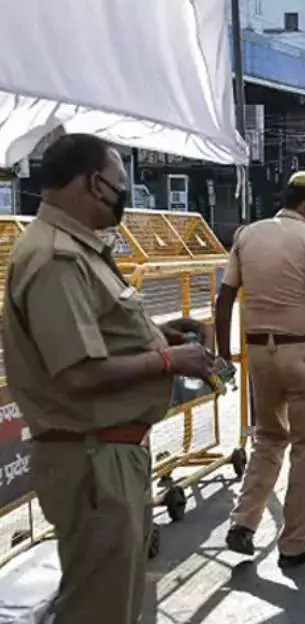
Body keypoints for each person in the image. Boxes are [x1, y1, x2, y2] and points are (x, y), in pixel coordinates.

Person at [1, 133, 214, 623]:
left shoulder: (79, 251)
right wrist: (169, 362)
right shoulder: (57, 257)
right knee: (98, 609)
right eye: (121, 184)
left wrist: (162, 336)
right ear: (94, 184)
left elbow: (96, 335)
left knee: (114, 601)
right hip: (92, 459)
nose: (125, 195)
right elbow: (77, 373)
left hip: (108, 454)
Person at [218, 171, 305, 565]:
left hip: (259, 354)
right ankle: (295, 542)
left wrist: (224, 354)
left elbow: (225, 299)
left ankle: (243, 522)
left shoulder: (247, 235)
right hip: (304, 353)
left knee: (268, 438)